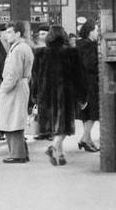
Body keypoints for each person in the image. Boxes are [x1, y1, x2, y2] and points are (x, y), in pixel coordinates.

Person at [31, 24, 87, 166]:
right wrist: (82, 96)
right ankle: (53, 147)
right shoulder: (71, 52)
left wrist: (35, 95)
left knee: (56, 125)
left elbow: (35, 76)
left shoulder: (40, 53)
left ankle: (60, 155)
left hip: (46, 95)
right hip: (65, 93)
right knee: (64, 125)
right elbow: (79, 76)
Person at [0, 21, 34, 163]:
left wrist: (4, 88)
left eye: (9, 32)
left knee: (12, 121)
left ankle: (17, 154)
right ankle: (21, 152)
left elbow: (14, 73)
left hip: (14, 87)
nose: (6, 35)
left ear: (18, 33)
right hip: (21, 85)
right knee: (15, 119)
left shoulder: (18, 49)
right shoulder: (23, 47)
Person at [76, 21, 100, 152]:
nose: (97, 33)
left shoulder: (80, 44)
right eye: (96, 30)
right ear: (90, 31)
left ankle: (88, 140)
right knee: (92, 113)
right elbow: (90, 64)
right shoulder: (89, 46)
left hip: (82, 82)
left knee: (87, 114)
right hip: (90, 83)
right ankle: (84, 139)